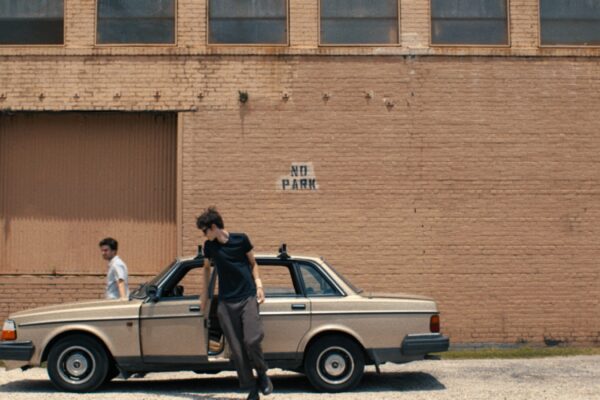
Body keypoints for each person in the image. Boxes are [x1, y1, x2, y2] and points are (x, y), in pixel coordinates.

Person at [197, 207, 273, 400]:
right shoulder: (209, 246)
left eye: (204, 230)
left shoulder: (241, 240)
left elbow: (253, 264)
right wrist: (204, 296)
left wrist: (259, 286)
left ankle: (263, 373)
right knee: (237, 350)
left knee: (252, 339)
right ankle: (252, 388)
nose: (204, 234)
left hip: (247, 296)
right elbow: (207, 270)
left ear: (213, 227)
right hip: (225, 302)